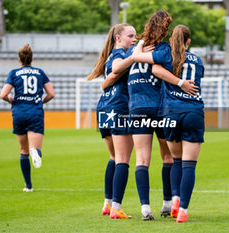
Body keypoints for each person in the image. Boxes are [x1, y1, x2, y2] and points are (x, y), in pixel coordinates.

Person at [125, 10, 198, 220]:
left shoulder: (133, 50)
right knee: (169, 157)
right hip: (161, 107)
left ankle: (145, 208)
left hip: (137, 108)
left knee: (141, 160)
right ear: (165, 30)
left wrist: (138, 45)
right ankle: (169, 203)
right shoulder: (166, 49)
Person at [86, 23, 138, 219]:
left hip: (105, 107)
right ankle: (116, 207)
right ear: (118, 38)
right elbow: (116, 69)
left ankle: (107, 204)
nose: (135, 39)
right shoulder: (120, 56)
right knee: (123, 159)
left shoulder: (112, 56)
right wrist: (134, 56)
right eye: (131, 36)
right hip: (119, 107)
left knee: (114, 158)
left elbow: (108, 80)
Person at [0, 44, 55, 192]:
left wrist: (12, 100)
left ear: (19, 60)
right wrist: (41, 101)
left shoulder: (13, 73)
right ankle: (35, 151)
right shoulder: (40, 72)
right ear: (32, 59)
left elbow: (3, 94)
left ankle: (28, 186)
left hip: (18, 112)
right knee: (36, 149)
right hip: (35, 111)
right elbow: (51, 94)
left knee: (23, 150)